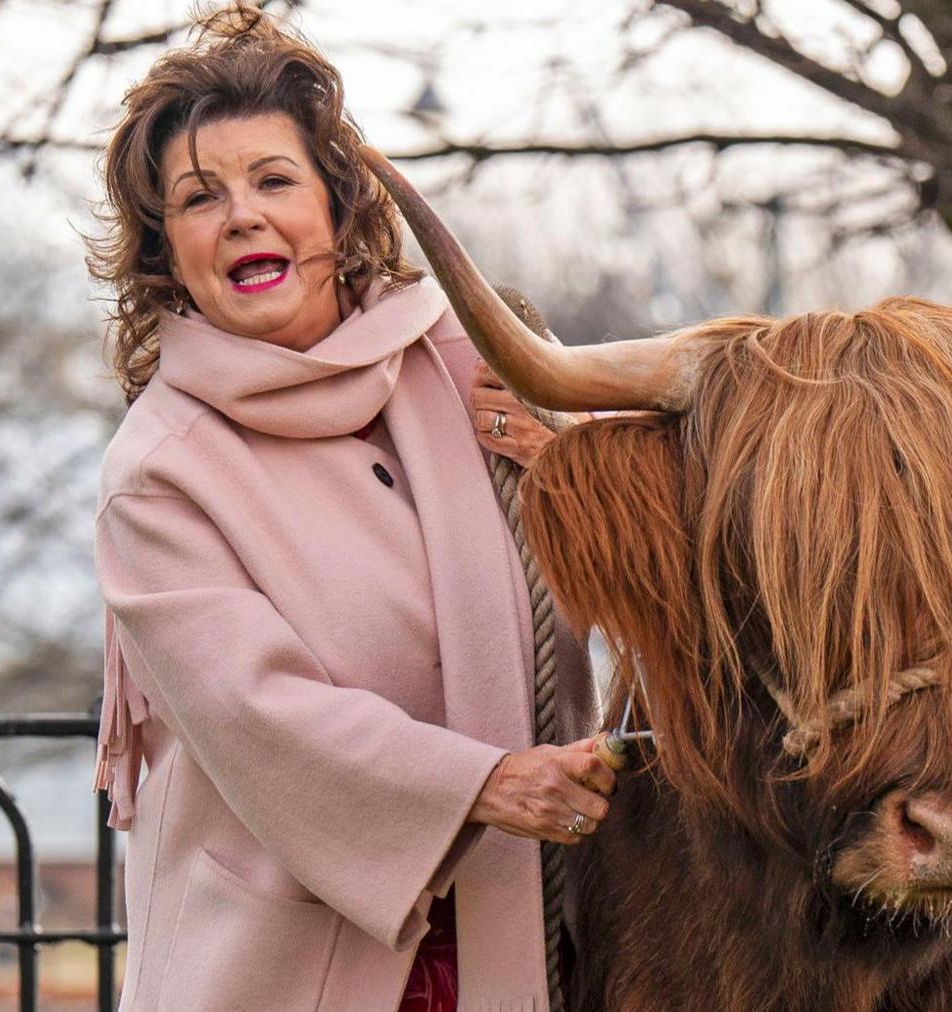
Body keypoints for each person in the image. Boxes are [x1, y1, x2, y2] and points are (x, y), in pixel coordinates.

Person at [88, 6, 605, 1009]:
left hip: (515, 936)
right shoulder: (157, 472)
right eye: (200, 198)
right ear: (167, 250)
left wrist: (575, 476)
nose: (241, 214)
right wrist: (487, 784)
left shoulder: (471, 371)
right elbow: (261, 715)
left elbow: (622, 594)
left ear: (337, 209)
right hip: (286, 968)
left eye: (274, 180)